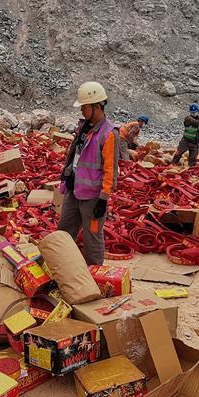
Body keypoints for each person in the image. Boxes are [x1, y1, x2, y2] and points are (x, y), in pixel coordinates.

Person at [57, 81, 120, 265]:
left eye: (84, 106)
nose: (81, 110)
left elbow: (111, 169)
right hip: (74, 191)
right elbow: (74, 156)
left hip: (93, 199)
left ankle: (95, 279)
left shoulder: (108, 133)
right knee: (64, 233)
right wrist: (66, 177)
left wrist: (104, 198)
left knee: (92, 239)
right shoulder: (84, 127)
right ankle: (62, 269)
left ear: (96, 106)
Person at [171, 103, 199, 168]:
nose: (194, 113)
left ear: (198, 112)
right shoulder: (188, 118)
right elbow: (197, 123)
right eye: (192, 112)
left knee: (193, 158)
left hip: (194, 142)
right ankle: (173, 165)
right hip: (185, 141)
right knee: (178, 154)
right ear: (190, 112)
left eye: (195, 112)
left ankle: (191, 169)